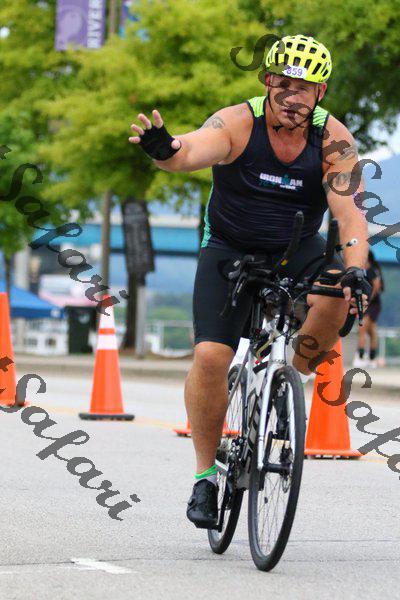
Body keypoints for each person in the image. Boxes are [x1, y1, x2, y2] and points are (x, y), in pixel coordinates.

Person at [129, 34, 371, 529]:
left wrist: (357, 269)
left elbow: (349, 215)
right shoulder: (239, 122)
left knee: (336, 292)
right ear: (267, 82)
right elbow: (192, 150)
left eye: (304, 88)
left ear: (320, 93)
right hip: (229, 247)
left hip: (296, 248)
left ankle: (289, 380)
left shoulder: (333, 140)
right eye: (283, 84)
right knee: (211, 356)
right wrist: (166, 150)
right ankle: (204, 477)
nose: (292, 96)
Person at [353, 250, 384, 368]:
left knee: (362, 329)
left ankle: (360, 356)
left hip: (372, 304)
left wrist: (370, 298)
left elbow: (377, 285)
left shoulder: (371, 270)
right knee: (371, 331)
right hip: (369, 303)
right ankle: (372, 358)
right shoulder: (364, 270)